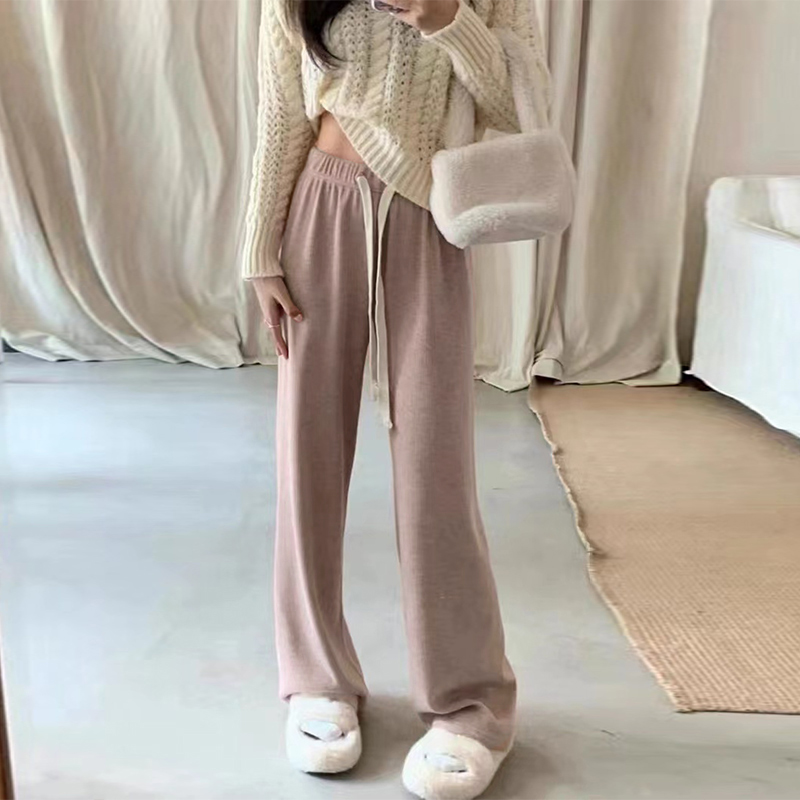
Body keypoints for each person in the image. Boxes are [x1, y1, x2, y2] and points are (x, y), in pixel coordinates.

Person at [241, 1, 550, 797]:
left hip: (428, 217)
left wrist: (447, 18)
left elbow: (515, 105)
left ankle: (470, 700)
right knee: (306, 453)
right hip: (318, 202)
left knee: (435, 463)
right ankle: (315, 676)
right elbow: (281, 109)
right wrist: (260, 249)